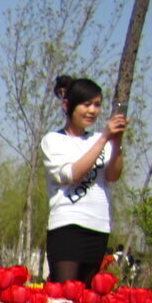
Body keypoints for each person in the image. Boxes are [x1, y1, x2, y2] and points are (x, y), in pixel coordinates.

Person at [41, 75, 126, 287]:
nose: (92, 111)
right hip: (67, 225)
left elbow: (113, 176)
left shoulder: (100, 140)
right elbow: (72, 174)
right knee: (63, 297)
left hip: (98, 226)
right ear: (67, 105)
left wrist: (116, 144)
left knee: (85, 301)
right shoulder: (54, 140)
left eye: (97, 105)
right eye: (86, 104)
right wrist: (105, 138)